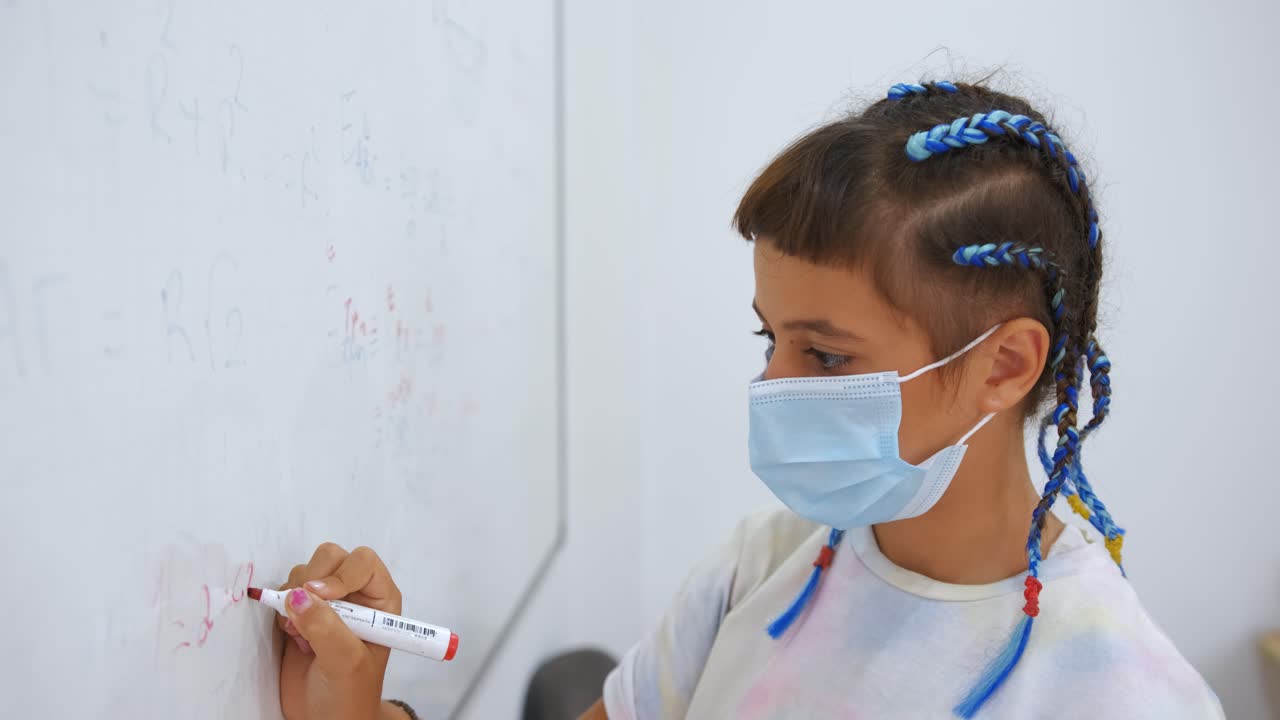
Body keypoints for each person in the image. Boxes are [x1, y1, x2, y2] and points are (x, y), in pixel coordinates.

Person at [274, 79, 1224, 719]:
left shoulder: (1121, 690)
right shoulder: (763, 568)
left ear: (1005, 366)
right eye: (770, 340)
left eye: (824, 353)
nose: (773, 386)